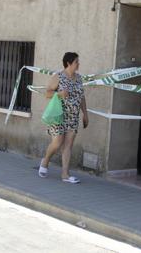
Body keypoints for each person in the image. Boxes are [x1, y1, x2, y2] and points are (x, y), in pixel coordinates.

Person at [38, 52, 88, 183]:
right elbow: (47, 94)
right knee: (57, 142)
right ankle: (45, 161)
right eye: (76, 61)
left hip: (73, 116)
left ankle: (65, 174)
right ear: (68, 63)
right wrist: (59, 94)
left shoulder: (79, 78)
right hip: (59, 114)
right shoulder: (58, 77)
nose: (78, 64)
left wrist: (85, 114)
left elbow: (82, 97)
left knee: (68, 145)